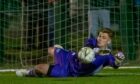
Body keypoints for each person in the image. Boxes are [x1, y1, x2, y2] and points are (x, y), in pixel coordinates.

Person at [16, 28, 125, 77]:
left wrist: (119, 60)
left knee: (39, 67)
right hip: (70, 57)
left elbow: (114, 64)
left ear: (109, 41)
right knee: (51, 49)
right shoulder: (92, 41)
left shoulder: (107, 56)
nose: (100, 38)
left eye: (104, 37)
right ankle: (57, 60)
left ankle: (29, 73)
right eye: (99, 36)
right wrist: (89, 50)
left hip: (70, 71)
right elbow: (88, 45)